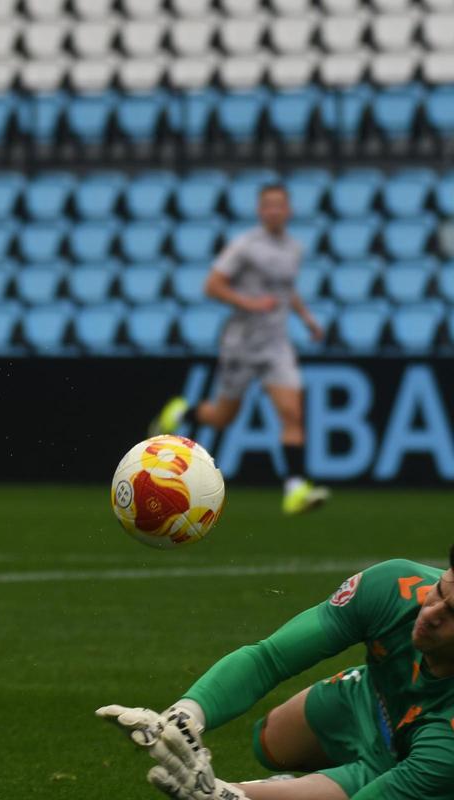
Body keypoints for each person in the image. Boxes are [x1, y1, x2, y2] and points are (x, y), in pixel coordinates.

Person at [98, 544, 454, 799]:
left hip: (426, 755)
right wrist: (184, 717)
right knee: (271, 742)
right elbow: (269, 657)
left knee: (375, 779)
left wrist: (227, 795)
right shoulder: (395, 585)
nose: (431, 612)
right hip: (375, 698)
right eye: (440, 591)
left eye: (452, 614)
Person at [149, 184, 330, 516]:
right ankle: (180, 413)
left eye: (279, 205)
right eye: (268, 205)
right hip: (242, 344)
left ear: (288, 210)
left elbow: (286, 289)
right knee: (222, 417)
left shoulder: (294, 248)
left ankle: (295, 489)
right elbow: (212, 285)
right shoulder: (245, 246)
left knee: (292, 413)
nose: (274, 211)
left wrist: (306, 319)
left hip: (276, 343)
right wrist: (248, 302)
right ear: (261, 211)